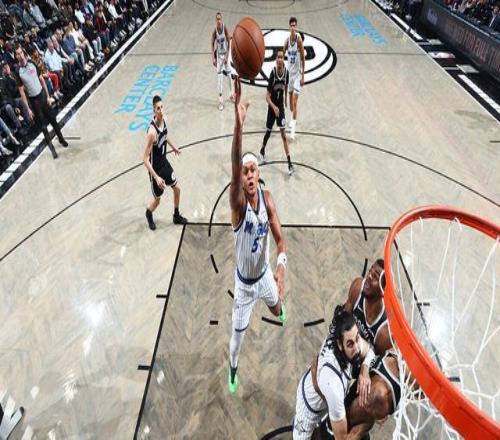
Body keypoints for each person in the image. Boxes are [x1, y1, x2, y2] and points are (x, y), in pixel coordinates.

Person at [227, 77, 287, 394]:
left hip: (264, 276)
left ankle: (276, 302)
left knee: (278, 310)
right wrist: (239, 125)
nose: (249, 175)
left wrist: (281, 267)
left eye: (253, 170)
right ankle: (233, 369)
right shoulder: (238, 206)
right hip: (243, 285)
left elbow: (281, 241)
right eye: (245, 171)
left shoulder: (268, 199)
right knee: (237, 341)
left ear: (259, 174)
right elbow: (234, 163)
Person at [293, 306, 375, 440]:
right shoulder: (333, 383)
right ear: (340, 345)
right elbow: (341, 438)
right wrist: (367, 423)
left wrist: (364, 371)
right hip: (308, 408)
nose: (357, 348)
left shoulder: (344, 335)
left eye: (357, 338)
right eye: (350, 344)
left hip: (323, 392)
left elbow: (370, 352)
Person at [341, 259, 402, 436]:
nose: (369, 277)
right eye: (370, 271)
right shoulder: (357, 288)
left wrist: (365, 374)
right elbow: (341, 321)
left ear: (383, 291)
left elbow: (379, 364)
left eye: (375, 277)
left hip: (365, 364)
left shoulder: (384, 331)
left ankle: (363, 423)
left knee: (370, 401)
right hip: (348, 351)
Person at [15, 45, 68, 159]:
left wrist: (48, 95)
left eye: (21, 53)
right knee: (43, 127)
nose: (20, 55)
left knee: (53, 120)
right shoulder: (18, 72)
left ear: (23, 53)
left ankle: (61, 138)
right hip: (33, 101)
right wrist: (28, 109)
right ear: (16, 57)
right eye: (17, 54)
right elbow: (22, 92)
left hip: (42, 96)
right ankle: (52, 149)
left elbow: (41, 79)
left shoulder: (32, 63)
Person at [143, 95, 187, 229]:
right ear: (154, 111)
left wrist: (173, 147)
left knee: (177, 188)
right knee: (157, 200)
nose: (161, 110)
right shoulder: (152, 133)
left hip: (164, 163)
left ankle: (176, 215)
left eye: (162, 107)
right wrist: (156, 178)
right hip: (156, 170)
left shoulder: (165, 120)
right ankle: (148, 213)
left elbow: (165, 135)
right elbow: (144, 159)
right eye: (158, 108)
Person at [259, 48, 295, 176]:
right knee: (268, 132)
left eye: (281, 57)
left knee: (283, 135)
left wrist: (284, 101)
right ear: (276, 60)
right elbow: (267, 97)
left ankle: (289, 163)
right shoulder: (273, 74)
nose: (280, 59)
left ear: (283, 60)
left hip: (280, 108)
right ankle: (262, 150)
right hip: (272, 107)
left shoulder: (286, 73)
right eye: (278, 57)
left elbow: (285, 87)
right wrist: (274, 107)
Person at [283, 16, 305, 140]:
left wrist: (303, 76)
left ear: (296, 27)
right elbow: (281, 55)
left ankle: (293, 131)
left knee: (295, 102)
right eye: (291, 25)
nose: (293, 27)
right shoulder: (287, 41)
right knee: (291, 106)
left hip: (297, 75)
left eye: (294, 25)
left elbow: (303, 58)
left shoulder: (299, 40)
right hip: (289, 75)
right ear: (289, 26)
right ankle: (293, 117)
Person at [210, 11, 234, 111]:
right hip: (219, 56)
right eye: (217, 19)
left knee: (229, 75)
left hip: (226, 55)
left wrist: (227, 57)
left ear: (222, 19)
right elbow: (212, 43)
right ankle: (220, 100)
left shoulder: (225, 28)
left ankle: (232, 95)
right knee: (219, 78)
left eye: (220, 19)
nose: (219, 21)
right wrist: (213, 58)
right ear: (216, 20)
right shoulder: (215, 31)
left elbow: (229, 42)